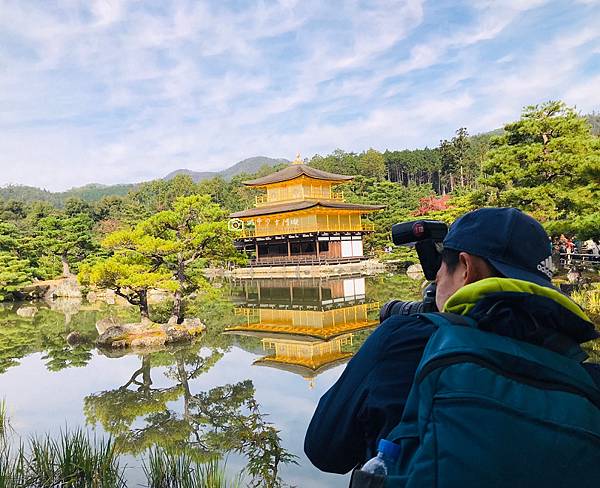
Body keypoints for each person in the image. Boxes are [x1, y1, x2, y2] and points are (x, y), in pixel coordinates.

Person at [304, 207, 600, 475]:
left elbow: (325, 450)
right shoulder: (584, 372)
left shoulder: (404, 340)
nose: (435, 282)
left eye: (441, 270)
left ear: (466, 267)